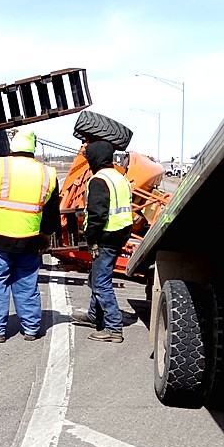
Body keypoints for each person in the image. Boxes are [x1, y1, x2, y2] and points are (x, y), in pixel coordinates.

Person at [0, 129, 59, 342]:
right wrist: (46, 235)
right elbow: (51, 213)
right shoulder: (48, 173)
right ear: (33, 148)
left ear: (13, 146)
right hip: (30, 240)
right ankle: (31, 328)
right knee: (26, 284)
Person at [70, 140, 133, 342]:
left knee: (100, 283)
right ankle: (94, 315)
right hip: (119, 234)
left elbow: (97, 215)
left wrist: (91, 239)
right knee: (97, 277)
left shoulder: (98, 180)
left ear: (95, 159)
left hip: (105, 237)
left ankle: (114, 327)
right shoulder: (119, 177)